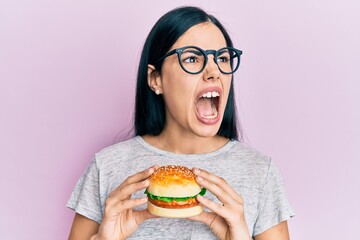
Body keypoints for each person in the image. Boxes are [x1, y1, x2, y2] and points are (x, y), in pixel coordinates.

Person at [67, 6, 294, 240]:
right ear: (156, 79)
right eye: (192, 58)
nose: (214, 71)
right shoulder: (106, 167)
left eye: (222, 58)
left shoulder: (259, 172)